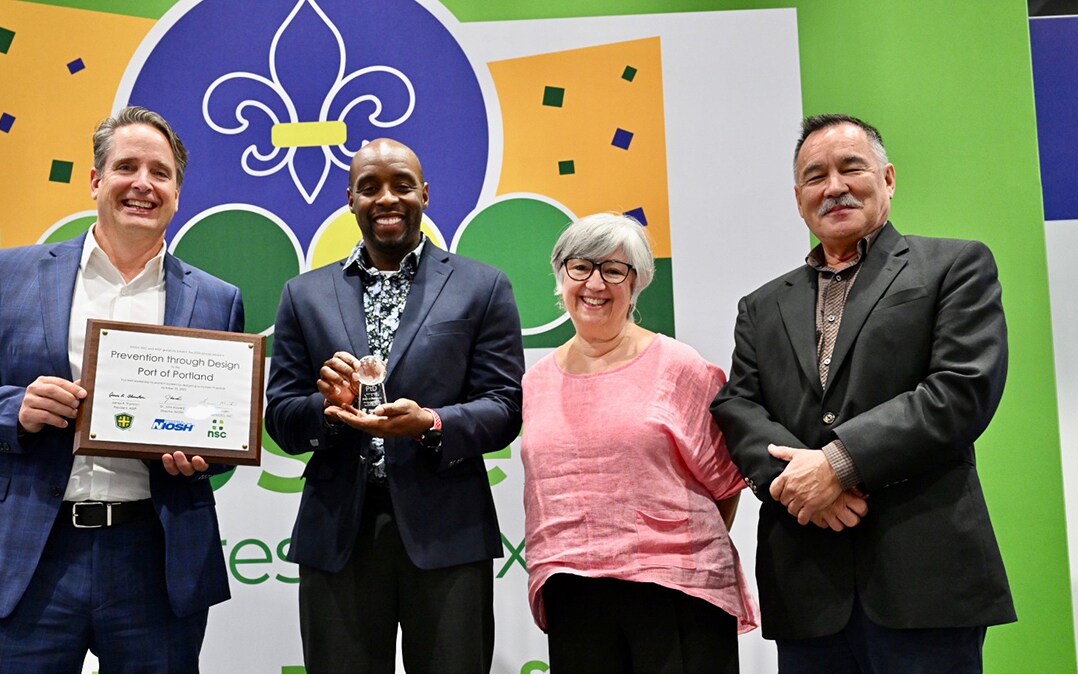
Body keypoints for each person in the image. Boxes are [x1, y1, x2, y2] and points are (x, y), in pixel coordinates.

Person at [0, 106, 243, 673]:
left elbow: (222, 438)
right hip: (26, 553)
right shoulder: (12, 273)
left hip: (156, 558)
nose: (143, 184)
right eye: (126, 167)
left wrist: (203, 458)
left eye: (160, 173)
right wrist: (15, 407)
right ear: (96, 180)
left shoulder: (218, 299)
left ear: (177, 192)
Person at [711, 114, 1015, 673]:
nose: (834, 186)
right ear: (799, 197)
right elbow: (738, 405)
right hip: (806, 582)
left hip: (923, 575)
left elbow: (959, 390)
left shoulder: (954, 265)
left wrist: (839, 463)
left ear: (889, 178)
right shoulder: (760, 306)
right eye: (815, 176)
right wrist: (797, 483)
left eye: (851, 167)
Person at [264, 138, 524, 673]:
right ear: (350, 200)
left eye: (402, 184)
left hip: (449, 531)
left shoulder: (483, 286)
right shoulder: (303, 294)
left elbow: (505, 406)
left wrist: (430, 423)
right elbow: (282, 418)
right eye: (370, 187)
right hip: (338, 533)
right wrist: (326, 408)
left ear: (424, 194)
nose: (387, 198)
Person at [520, 213, 758, 673]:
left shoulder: (679, 366)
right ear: (560, 274)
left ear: (637, 283)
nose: (595, 283)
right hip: (572, 592)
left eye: (614, 270)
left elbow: (726, 483)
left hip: (675, 592)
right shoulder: (536, 381)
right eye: (580, 267)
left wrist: (666, 551)